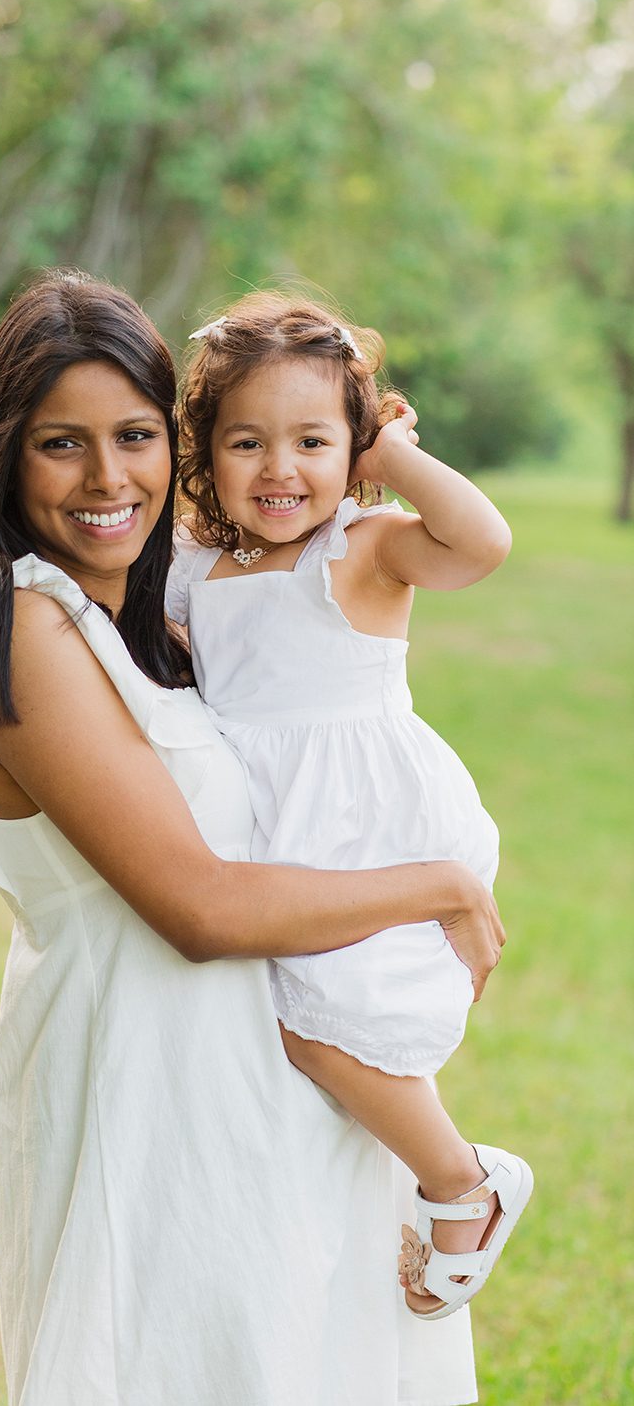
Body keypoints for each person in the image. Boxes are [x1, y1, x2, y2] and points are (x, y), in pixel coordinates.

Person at [0, 270, 502, 1405]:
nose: (107, 475)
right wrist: (438, 886)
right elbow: (202, 908)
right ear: (1, 454)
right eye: (58, 443)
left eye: (132, 436)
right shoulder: (19, 624)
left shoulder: (140, 606)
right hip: (145, 1100)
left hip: (260, 1082)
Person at [171, 292, 532, 1322]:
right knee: (278, 1023)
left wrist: (395, 463)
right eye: (247, 441)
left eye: (313, 441)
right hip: (270, 830)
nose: (280, 469)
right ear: (206, 447)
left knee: (321, 1024)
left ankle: (464, 1182)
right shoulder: (200, 561)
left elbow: (482, 543)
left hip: (365, 819)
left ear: (353, 446)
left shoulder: (362, 548)